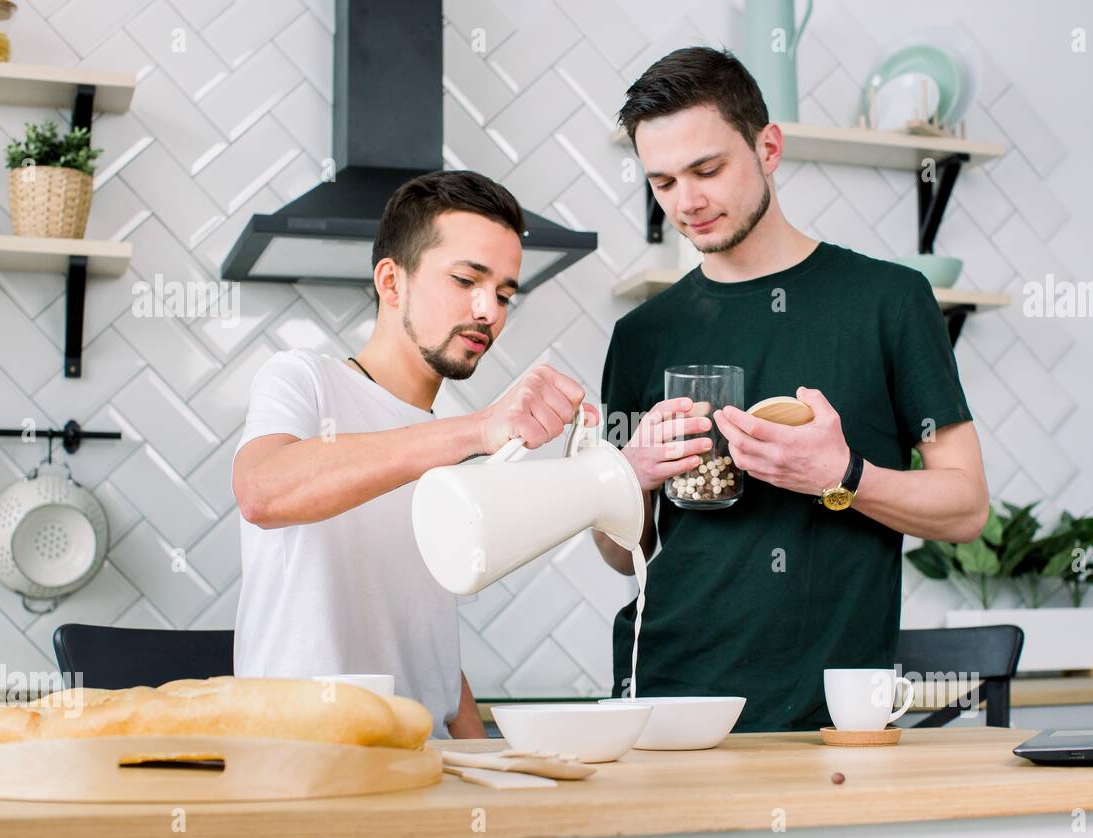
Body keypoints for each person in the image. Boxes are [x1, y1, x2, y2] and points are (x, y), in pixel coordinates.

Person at [595, 48, 990, 732]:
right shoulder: (642, 334)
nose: (687, 202)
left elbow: (966, 508)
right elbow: (621, 554)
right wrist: (629, 479)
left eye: (707, 170)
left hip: (828, 709)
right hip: (663, 696)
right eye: (662, 182)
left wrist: (844, 475)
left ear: (768, 148)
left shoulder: (889, 301)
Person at [232, 170, 589, 739]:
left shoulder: (445, 443)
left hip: (427, 760)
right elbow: (262, 492)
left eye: (503, 295)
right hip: (303, 758)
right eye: (466, 280)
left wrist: (488, 763)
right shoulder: (304, 379)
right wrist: (476, 429)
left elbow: (428, 650)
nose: (489, 311)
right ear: (391, 282)